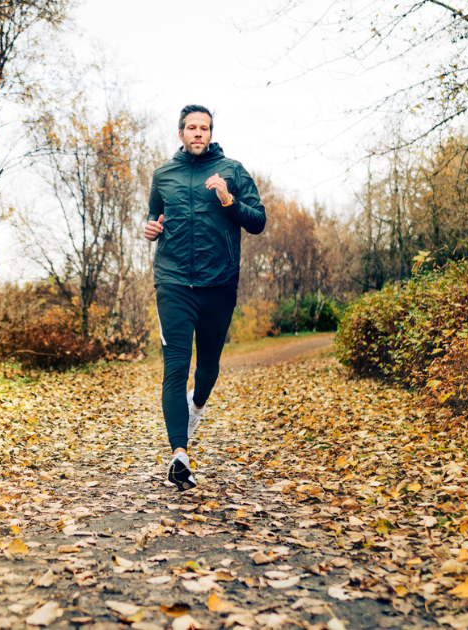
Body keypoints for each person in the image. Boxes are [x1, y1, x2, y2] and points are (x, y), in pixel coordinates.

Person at [143, 104, 266, 491]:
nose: (198, 133)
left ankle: (196, 408)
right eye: (191, 128)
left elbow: (258, 221)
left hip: (218, 284)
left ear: (211, 134)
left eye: (205, 128)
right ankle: (179, 454)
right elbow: (155, 218)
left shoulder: (232, 171)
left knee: (208, 370)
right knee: (175, 368)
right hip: (174, 283)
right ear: (180, 133)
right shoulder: (164, 174)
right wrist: (150, 230)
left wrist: (229, 201)